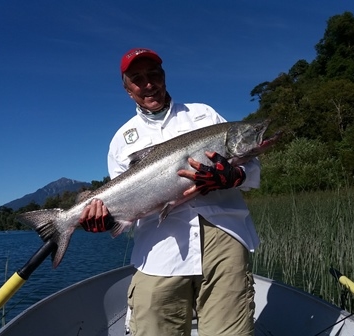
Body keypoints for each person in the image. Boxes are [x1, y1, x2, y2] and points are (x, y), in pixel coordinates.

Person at [79, 48, 261, 336]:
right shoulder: (120, 141)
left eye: (153, 74)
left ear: (163, 77)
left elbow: (253, 168)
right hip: (158, 249)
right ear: (128, 90)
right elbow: (125, 210)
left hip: (223, 235)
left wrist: (234, 175)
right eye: (137, 79)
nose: (148, 83)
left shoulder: (204, 114)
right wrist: (103, 220)